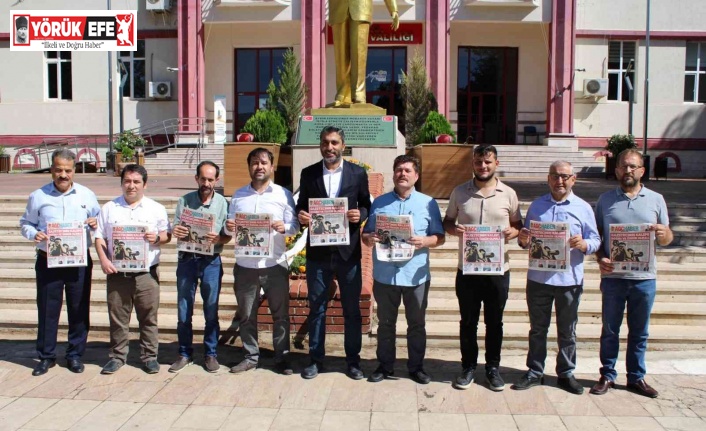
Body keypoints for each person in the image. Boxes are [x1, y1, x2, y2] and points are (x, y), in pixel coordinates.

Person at [511, 161, 601, 394]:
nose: (559, 181)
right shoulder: (537, 205)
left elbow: (596, 240)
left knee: (567, 330)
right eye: (554, 176)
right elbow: (526, 239)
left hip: (569, 280)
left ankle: (565, 373)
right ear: (548, 178)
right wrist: (523, 239)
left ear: (573, 179)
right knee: (537, 329)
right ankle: (535, 371)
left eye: (564, 176)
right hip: (539, 279)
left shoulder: (583, 208)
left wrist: (584, 244)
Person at [590, 149, 673, 398]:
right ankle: (607, 375)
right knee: (610, 329)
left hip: (644, 279)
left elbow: (668, 237)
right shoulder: (605, 200)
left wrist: (663, 234)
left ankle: (636, 377)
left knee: (640, 331)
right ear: (616, 170)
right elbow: (597, 238)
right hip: (614, 278)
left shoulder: (656, 199)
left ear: (642, 170)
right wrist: (600, 257)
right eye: (623, 166)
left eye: (633, 167)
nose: (628, 171)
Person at [443, 144, 523, 391]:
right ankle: (467, 367)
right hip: (467, 270)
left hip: (498, 271)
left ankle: (492, 368)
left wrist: (514, 231)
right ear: (473, 164)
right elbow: (447, 221)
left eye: (488, 162)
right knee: (468, 321)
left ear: (496, 163)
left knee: (494, 322)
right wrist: (455, 230)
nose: (483, 166)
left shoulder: (508, 194)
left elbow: (519, 226)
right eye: (479, 162)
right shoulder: (459, 192)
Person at [296, 126, 371, 379]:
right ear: (320, 145)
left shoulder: (357, 173)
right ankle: (316, 360)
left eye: (335, 142)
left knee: (351, 309)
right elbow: (300, 206)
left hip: (348, 253)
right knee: (317, 307)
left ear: (343, 145)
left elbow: (366, 206)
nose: (330, 147)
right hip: (318, 254)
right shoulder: (308, 174)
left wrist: (360, 215)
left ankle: (353, 361)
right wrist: (302, 216)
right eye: (326, 142)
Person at [362, 155, 444, 384]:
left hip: (415, 274)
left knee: (416, 325)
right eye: (399, 170)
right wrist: (371, 238)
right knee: (386, 324)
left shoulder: (428, 203)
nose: (403, 174)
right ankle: (384, 366)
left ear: (416, 175)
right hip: (385, 275)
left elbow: (440, 237)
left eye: (408, 170)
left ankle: (416, 367)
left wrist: (425, 241)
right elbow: (366, 235)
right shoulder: (379, 203)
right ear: (394, 173)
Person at [20, 149, 100, 376]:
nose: (63, 175)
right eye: (58, 170)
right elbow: (26, 222)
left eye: (67, 170)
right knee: (47, 309)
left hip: (78, 262)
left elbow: (100, 220)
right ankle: (46, 356)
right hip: (48, 261)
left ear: (74, 170)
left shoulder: (87, 195)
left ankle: (75, 355)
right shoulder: (38, 196)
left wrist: (95, 223)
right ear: (51, 170)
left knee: (78, 308)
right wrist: (33, 234)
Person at [226, 148, 298, 375]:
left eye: (264, 162)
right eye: (255, 163)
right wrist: (228, 227)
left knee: (281, 315)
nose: (259, 166)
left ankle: (282, 358)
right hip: (246, 266)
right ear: (249, 167)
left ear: (272, 166)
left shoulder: (283, 195)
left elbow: (294, 225)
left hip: (274, 263)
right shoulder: (238, 195)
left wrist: (284, 227)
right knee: (246, 314)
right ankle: (250, 356)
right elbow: (229, 226)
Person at [95, 164, 171, 375]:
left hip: (147, 274)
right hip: (118, 274)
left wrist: (156, 238)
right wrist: (103, 259)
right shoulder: (109, 208)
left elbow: (167, 235)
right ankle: (117, 356)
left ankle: (149, 357)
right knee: (118, 317)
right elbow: (99, 236)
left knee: (148, 317)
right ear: (121, 183)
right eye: (127, 181)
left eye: (136, 182)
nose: (131, 186)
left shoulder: (156, 208)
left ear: (144, 184)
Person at [168, 161, 231, 374]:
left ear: (217, 180)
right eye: (202, 178)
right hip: (187, 259)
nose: (206, 183)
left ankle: (210, 353)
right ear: (196, 178)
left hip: (211, 261)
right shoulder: (184, 201)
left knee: (211, 309)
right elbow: (175, 228)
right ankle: (184, 353)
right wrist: (177, 231)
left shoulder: (223, 203)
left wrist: (219, 238)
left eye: (210, 179)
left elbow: (227, 236)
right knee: (184, 309)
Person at [329, 0, 399, 105]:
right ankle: (342, 93)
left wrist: (393, 9)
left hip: (361, 7)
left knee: (359, 54)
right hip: (337, 7)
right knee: (340, 56)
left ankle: (358, 93)